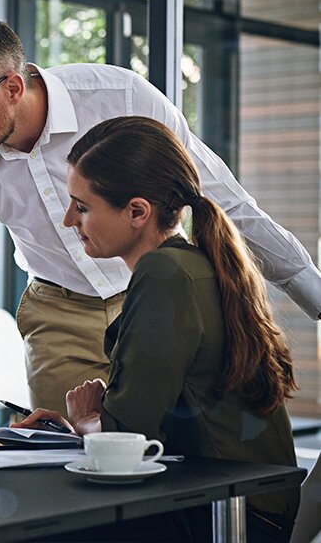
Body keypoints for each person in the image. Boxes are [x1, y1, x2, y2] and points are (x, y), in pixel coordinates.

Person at [0, 17, 321, 425]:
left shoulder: (122, 98)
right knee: (69, 468)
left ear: (12, 88)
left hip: (161, 296)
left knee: (177, 454)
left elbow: (228, 204)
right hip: (59, 313)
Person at [15, 116, 298, 542]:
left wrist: (89, 419)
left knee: (32, 521)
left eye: (83, 206)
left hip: (226, 515)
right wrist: (82, 425)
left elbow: (129, 437)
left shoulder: (164, 273)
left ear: (137, 212)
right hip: (241, 503)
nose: (70, 220)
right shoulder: (194, 264)